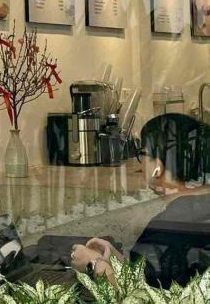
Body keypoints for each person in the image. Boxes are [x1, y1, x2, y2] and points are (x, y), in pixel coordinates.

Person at [70, 113, 210, 288]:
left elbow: (137, 294)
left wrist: (93, 265)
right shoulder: (199, 209)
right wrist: (115, 261)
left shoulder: (169, 225)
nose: (140, 163)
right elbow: (157, 276)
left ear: (157, 167)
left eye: (142, 153)